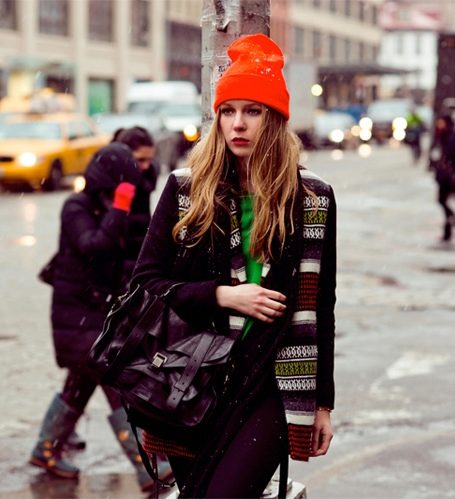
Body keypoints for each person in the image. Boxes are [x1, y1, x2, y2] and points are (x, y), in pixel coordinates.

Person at [132, 34, 336, 498]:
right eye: (228, 111)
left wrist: (323, 402)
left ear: (275, 119)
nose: (238, 124)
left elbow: (320, 304)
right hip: (191, 379)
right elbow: (145, 285)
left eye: (253, 111)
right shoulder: (185, 190)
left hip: (273, 382)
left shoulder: (313, 198)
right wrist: (222, 295)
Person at [29, 143, 172, 491]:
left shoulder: (107, 205)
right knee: (115, 382)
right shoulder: (76, 206)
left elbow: (125, 254)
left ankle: (45, 449)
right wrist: (120, 206)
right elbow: (94, 245)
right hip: (77, 316)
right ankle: (148, 465)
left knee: (79, 387)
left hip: (94, 316)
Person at [112, 126, 161, 282]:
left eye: (149, 160)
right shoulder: (110, 181)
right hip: (118, 263)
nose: (146, 166)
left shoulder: (145, 178)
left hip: (137, 257)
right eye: (140, 160)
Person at [433, 114, 455, 241]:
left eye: (441, 122)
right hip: (444, 176)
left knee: (443, 200)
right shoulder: (440, 137)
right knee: (442, 200)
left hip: (449, 176)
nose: (439, 125)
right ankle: (448, 231)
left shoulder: (451, 138)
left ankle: (448, 228)